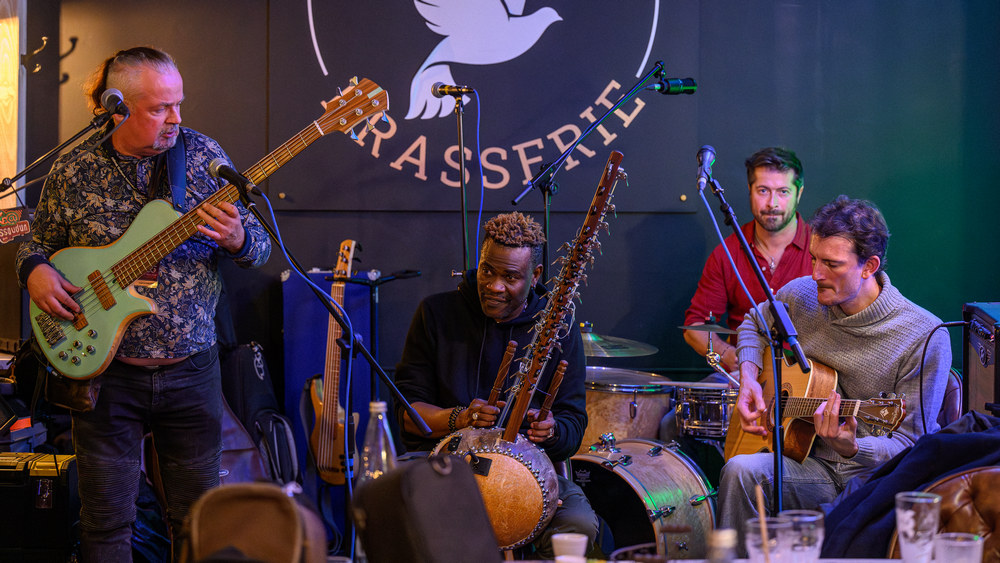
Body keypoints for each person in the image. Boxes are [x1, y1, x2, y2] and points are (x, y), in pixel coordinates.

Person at [15, 47, 271, 561]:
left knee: (200, 522)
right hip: (105, 374)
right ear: (118, 109)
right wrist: (34, 272)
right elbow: (32, 240)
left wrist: (240, 238)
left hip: (192, 371)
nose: (176, 117)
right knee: (106, 524)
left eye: (178, 103)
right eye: (159, 108)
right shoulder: (75, 167)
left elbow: (261, 247)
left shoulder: (204, 156)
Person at [718, 195, 951, 551]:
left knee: (742, 472)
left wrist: (852, 447)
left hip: (865, 479)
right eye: (813, 258)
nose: (815, 274)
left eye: (832, 264)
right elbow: (754, 321)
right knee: (739, 469)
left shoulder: (923, 336)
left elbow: (909, 446)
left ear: (869, 266)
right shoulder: (801, 296)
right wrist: (749, 376)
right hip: (797, 453)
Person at [394, 211, 598, 558]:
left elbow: (572, 423)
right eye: (488, 270)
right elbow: (409, 413)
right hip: (446, 466)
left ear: (534, 276)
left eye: (510, 276)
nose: (494, 285)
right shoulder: (436, 313)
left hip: (528, 474)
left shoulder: (558, 328)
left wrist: (549, 431)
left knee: (577, 525)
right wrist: (461, 418)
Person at [683, 147, 812, 372]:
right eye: (763, 190)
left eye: (783, 192)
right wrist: (728, 354)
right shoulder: (727, 252)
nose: (772, 203)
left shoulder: (820, 249)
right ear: (750, 191)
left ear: (798, 193)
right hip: (745, 376)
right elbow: (694, 327)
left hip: (808, 379)